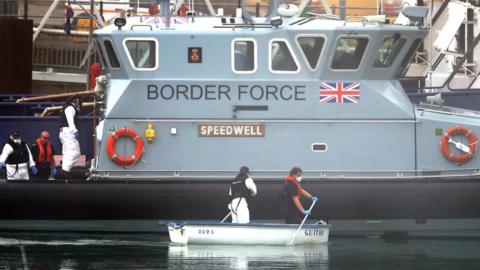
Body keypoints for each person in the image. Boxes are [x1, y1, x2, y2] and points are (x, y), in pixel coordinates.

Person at [59, 97, 81, 177]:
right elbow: (70, 120)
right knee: (75, 153)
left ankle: (65, 170)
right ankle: (65, 170)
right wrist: (75, 131)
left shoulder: (66, 107)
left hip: (64, 132)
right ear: (75, 102)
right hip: (68, 132)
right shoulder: (70, 108)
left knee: (66, 153)